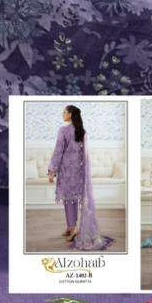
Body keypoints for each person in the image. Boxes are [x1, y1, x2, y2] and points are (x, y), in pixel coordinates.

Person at [47, 105, 114, 251]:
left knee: (68, 199)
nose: (63, 114)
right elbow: (85, 155)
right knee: (75, 199)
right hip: (79, 171)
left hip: (66, 170)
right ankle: (71, 227)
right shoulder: (82, 131)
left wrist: (52, 170)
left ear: (71, 114)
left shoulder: (63, 130)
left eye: (64, 112)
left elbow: (58, 151)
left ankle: (73, 228)